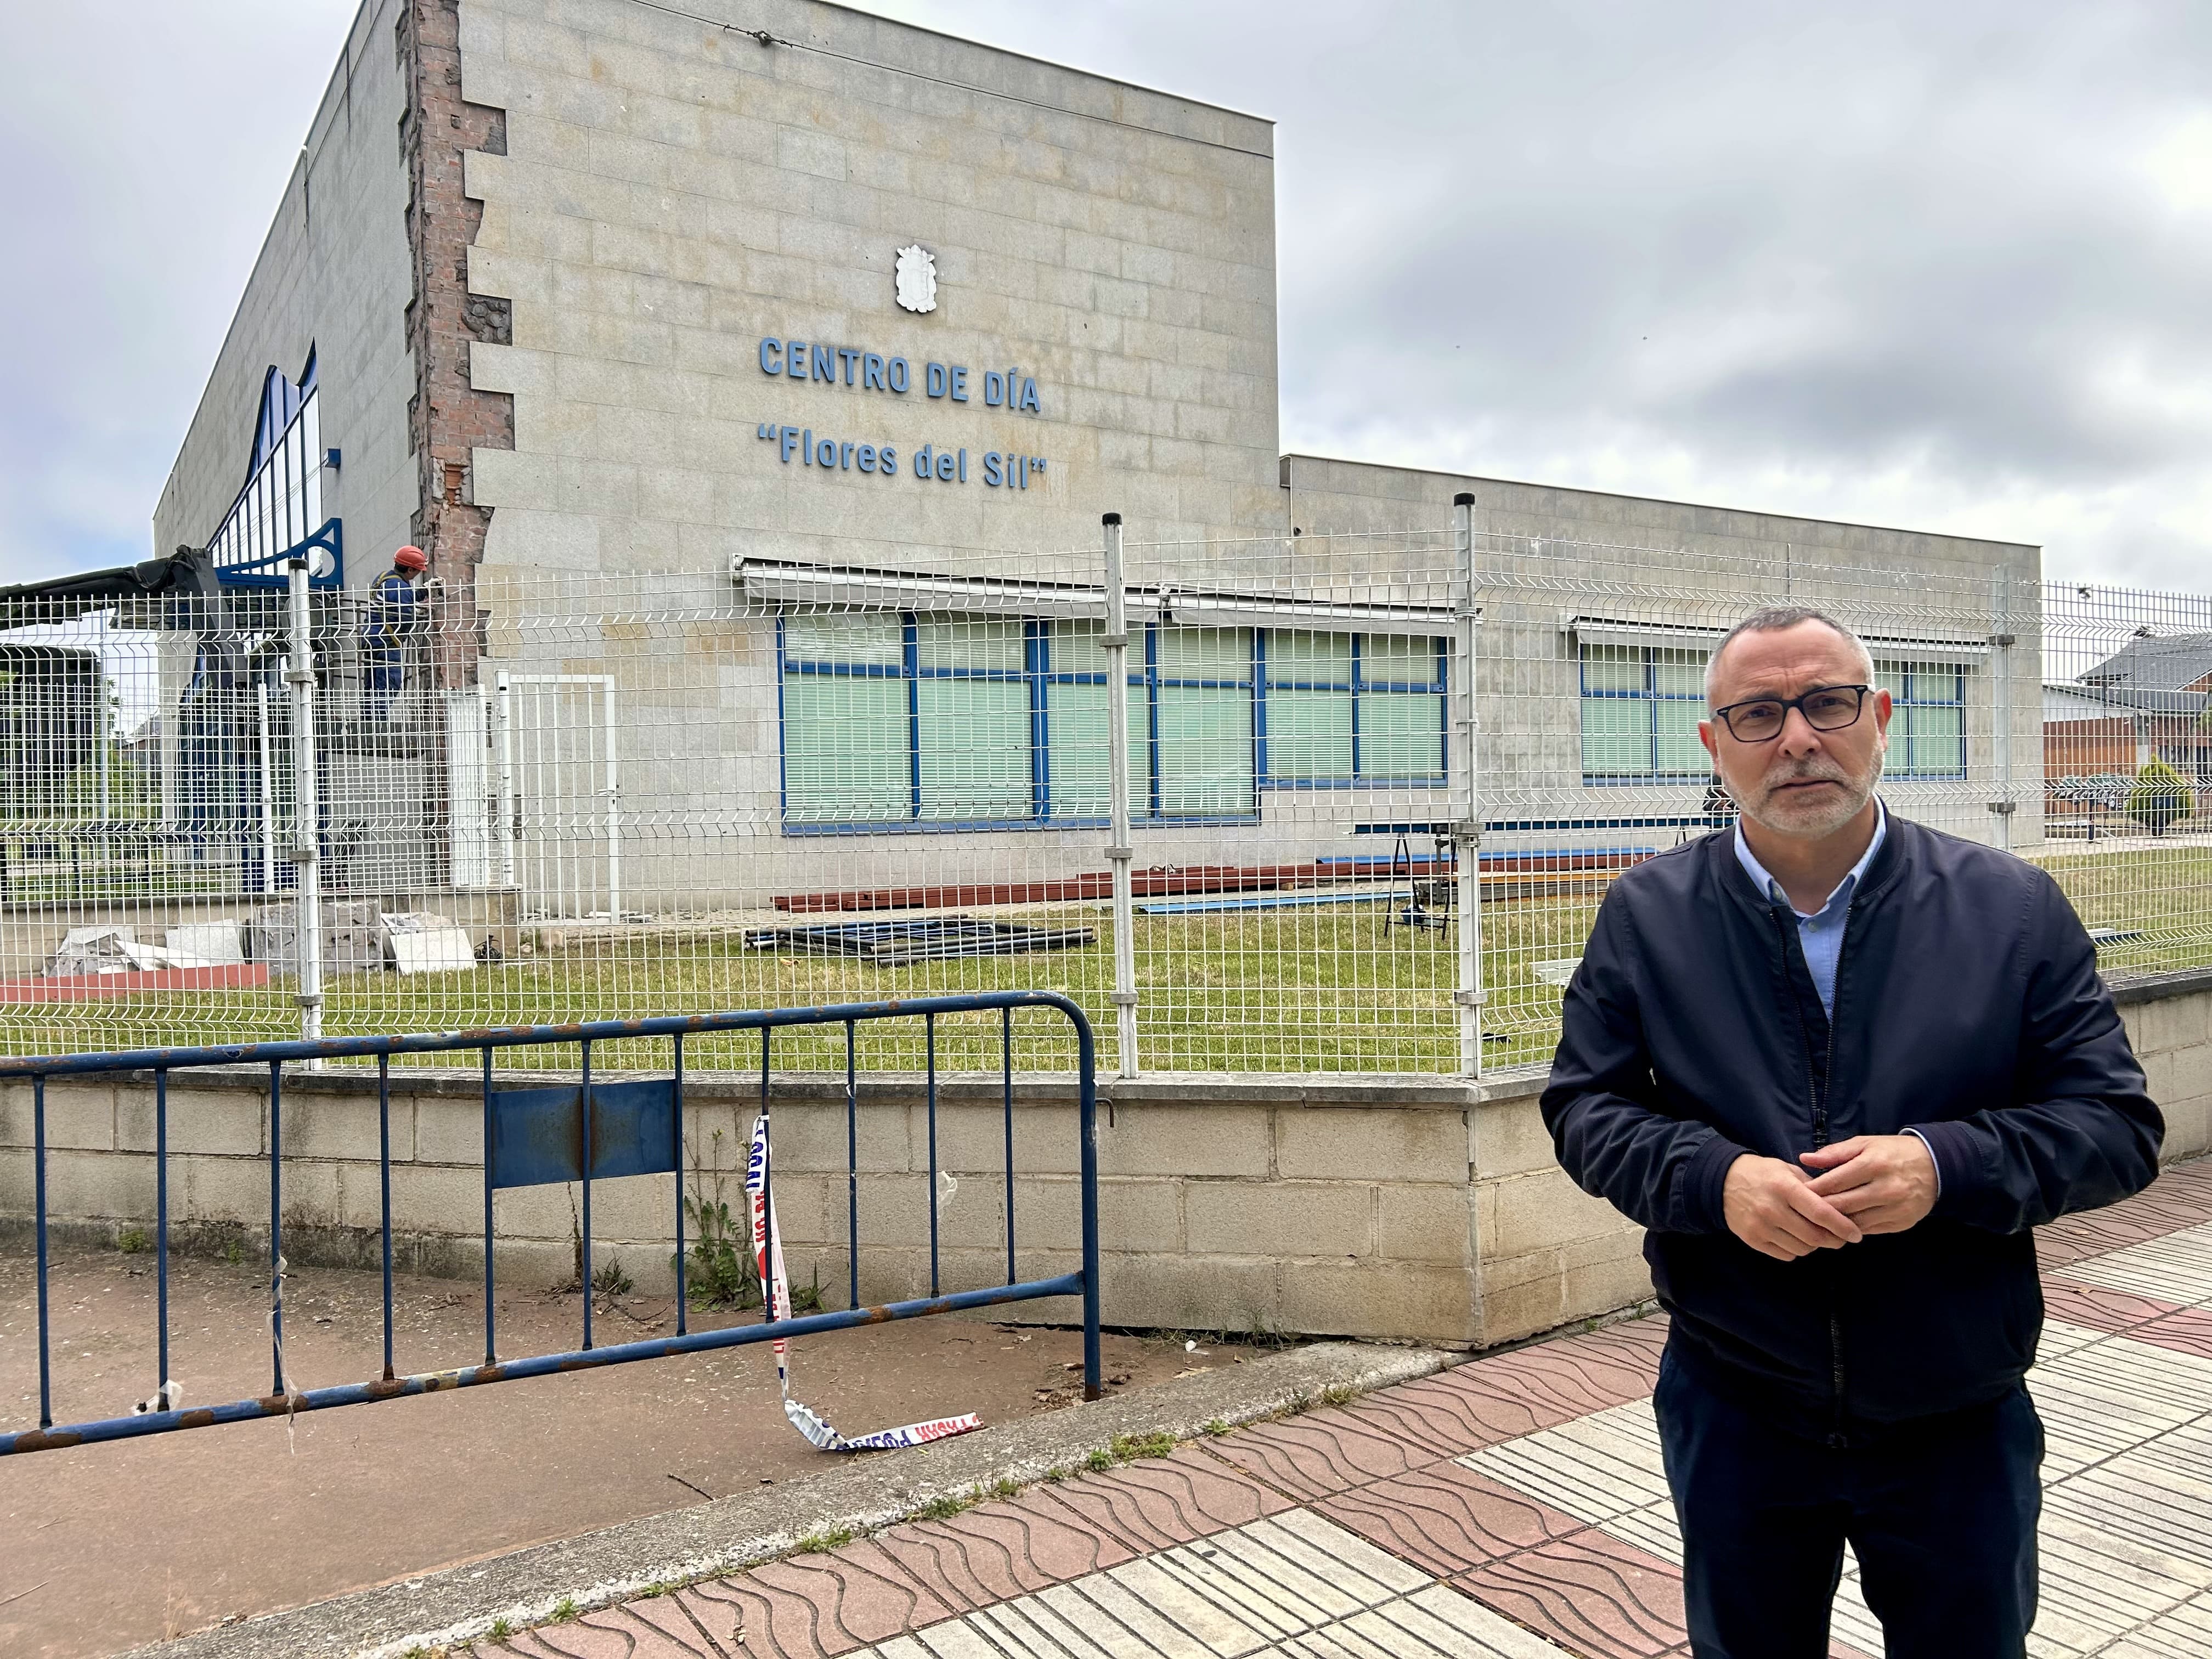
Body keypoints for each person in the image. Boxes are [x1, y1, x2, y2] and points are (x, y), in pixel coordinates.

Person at [1541, 604, 2162, 1658]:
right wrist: (1711, 1178)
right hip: (1736, 1403)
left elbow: (2115, 1123)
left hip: (1955, 1409)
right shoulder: (1648, 915)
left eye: (1826, 703)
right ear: (1714, 744)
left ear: (1878, 718)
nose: (1796, 738)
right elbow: (1584, 1107)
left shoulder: (2010, 908)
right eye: (1758, 713)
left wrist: (1942, 1163)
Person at [365, 545, 428, 720]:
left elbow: (397, 600)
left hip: (371, 637)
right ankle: (379, 723)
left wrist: (422, 593)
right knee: (389, 682)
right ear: (410, 569)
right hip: (386, 641)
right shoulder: (400, 587)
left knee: (373, 683)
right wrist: (420, 612)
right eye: (417, 571)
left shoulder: (384, 578)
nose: (417, 574)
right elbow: (406, 620)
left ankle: (368, 721)